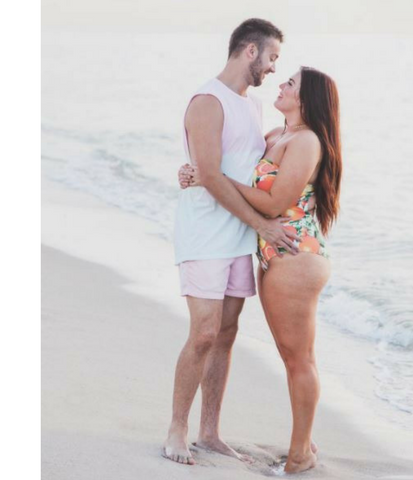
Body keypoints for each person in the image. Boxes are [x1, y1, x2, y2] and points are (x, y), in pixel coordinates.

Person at [179, 66, 342, 474]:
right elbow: (238, 173)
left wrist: (211, 178)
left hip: (296, 256)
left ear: (307, 99)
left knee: (298, 359)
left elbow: (273, 204)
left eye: (291, 83)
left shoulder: (306, 141)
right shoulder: (274, 136)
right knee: (293, 356)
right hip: (273, 254)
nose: (281, 84)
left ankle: (301, 454)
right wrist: (198, 175)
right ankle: (304, 439)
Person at [163, 18, 300, 466]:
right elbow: (210, 175)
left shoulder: (253, 106)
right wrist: (262, 225)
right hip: (204, 233)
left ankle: (210, 432)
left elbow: (246, 167)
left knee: (226, 333)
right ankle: (177, 429)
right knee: (203, 333)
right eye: (272, 57)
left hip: (239, 236)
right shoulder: (208, 101)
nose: (274, 68)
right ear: (250, 51)